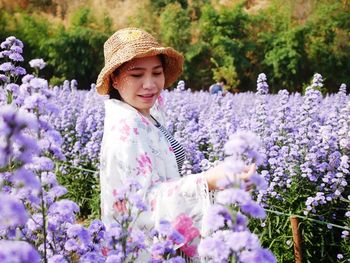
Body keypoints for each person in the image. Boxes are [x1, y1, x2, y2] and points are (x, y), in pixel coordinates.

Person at [96, 28, 255, 259]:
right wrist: (206, 181)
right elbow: (140, 206)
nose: (150, 84)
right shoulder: (127, 126)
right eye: (137, 75)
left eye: (156, 73)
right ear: (115, 79)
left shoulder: (146, 115)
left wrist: (221, 181)